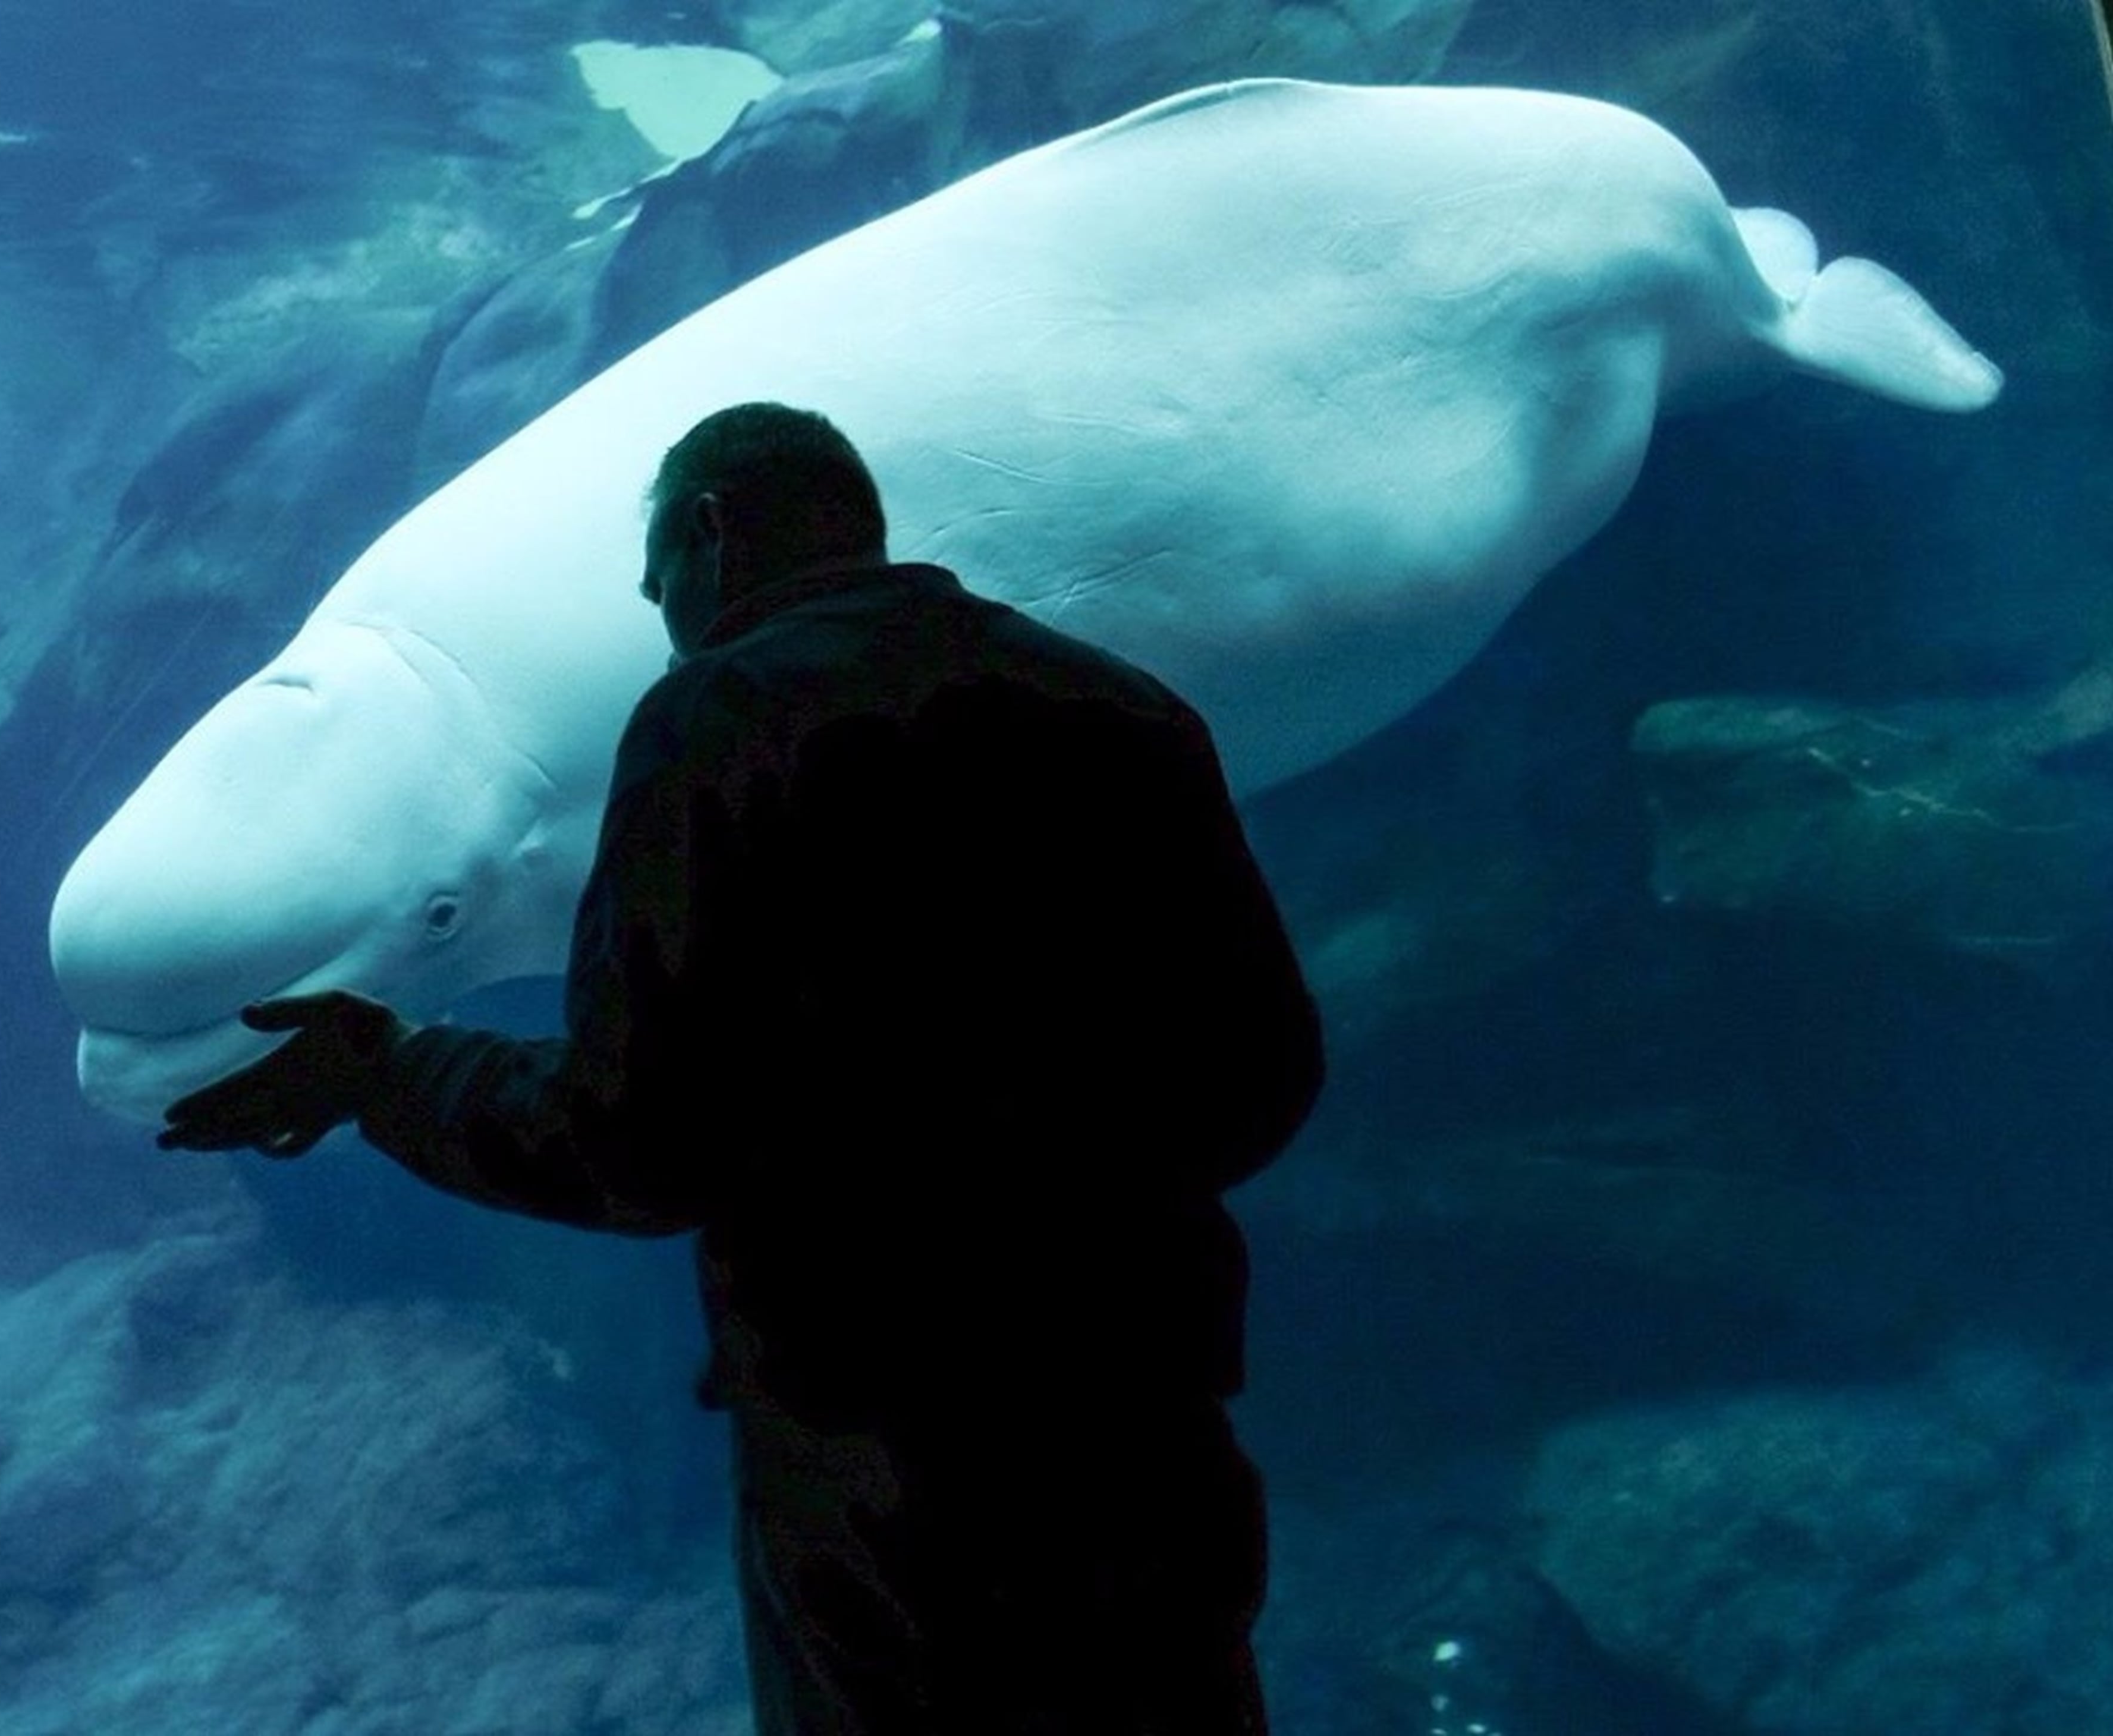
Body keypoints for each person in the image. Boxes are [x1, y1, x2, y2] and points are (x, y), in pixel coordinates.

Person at [160, 402, 1324, 1734]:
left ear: (709, 531)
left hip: (884, 1437)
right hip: (1140, 1403)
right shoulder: (1118, 702)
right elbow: (1267, 1069)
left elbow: (638, 1140)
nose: (657, 601)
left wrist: (394, 1072)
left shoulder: (716, 722)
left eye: (656, 569)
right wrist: (1086, 1207)